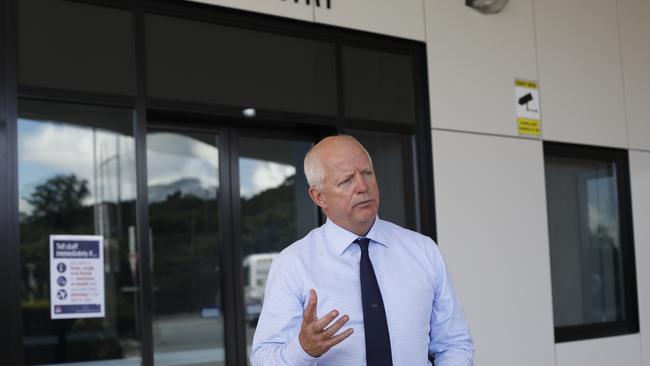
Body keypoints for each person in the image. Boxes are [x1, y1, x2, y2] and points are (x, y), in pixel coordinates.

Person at [250, 135, 473, 365]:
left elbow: (453, 343)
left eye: (367, 173)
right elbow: (263, 359)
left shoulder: (423, 250)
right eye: (346, 180)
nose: (363, 187)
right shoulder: (293, 264)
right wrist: (303, 350)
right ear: (319, 196)